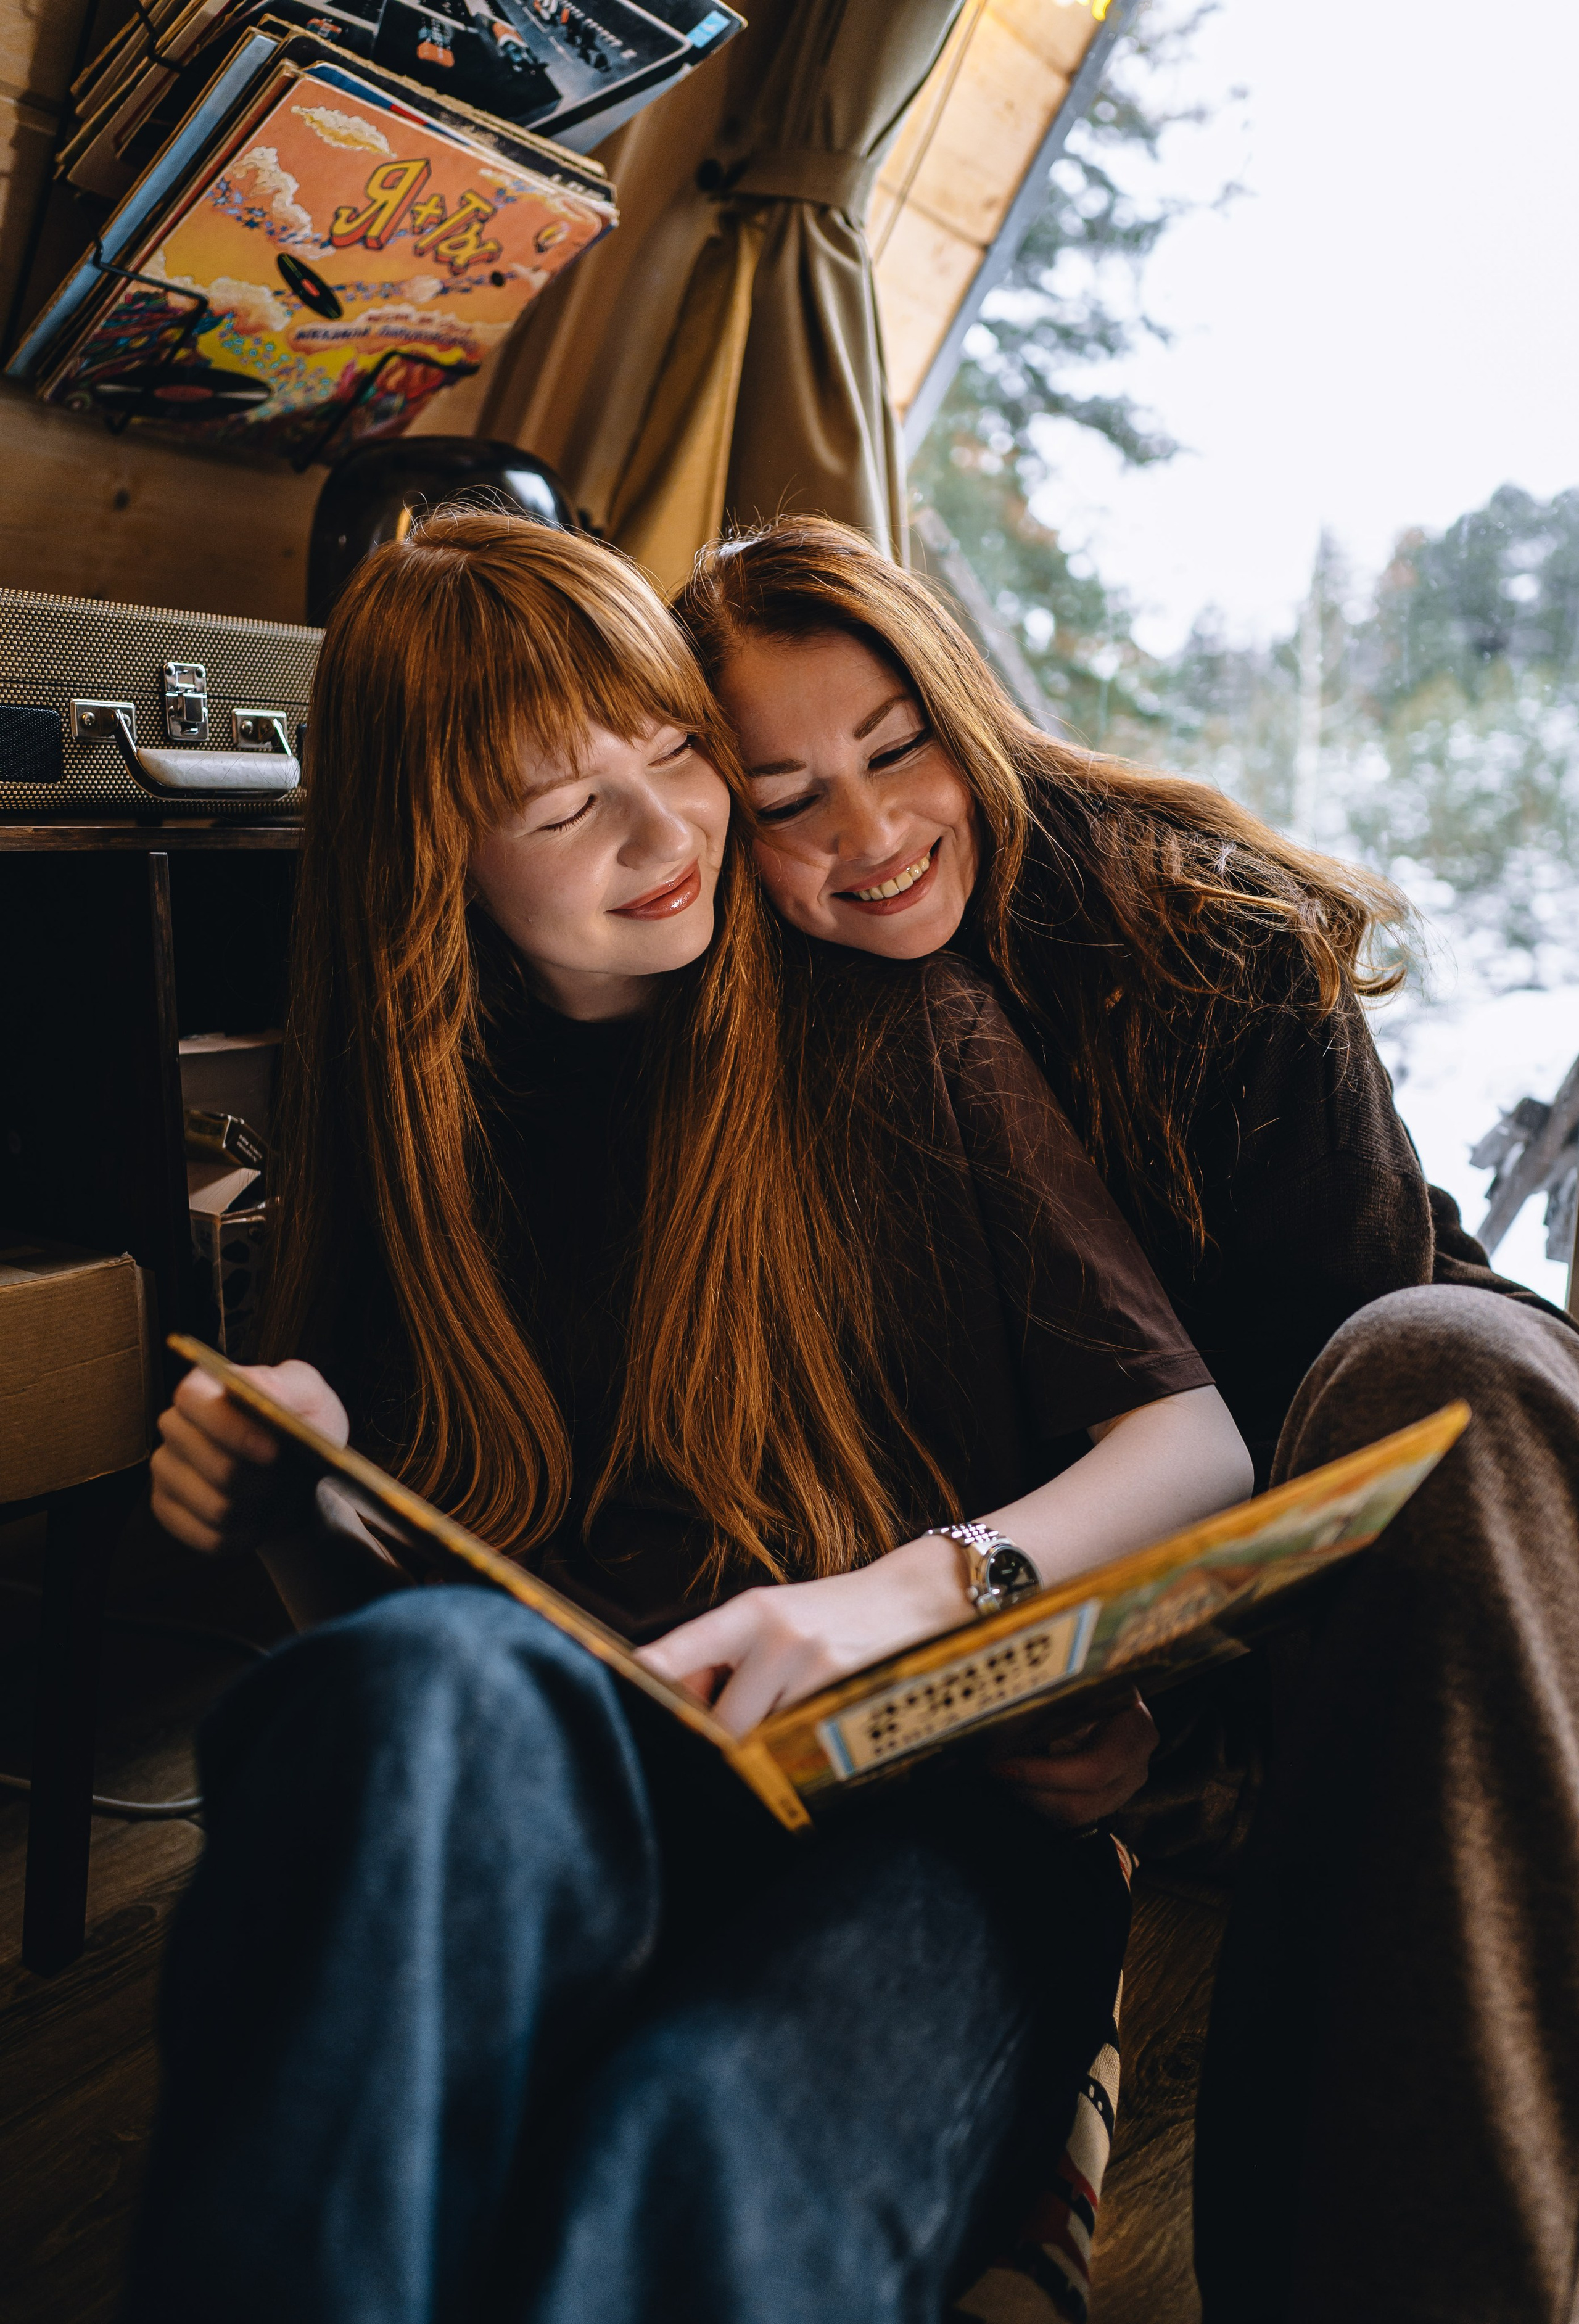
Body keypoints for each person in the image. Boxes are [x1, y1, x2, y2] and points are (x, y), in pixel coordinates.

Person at [131, 509, 1253, 2323]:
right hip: (591, 1800)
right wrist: (291, 1490)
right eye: (572, 811)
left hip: (931, 1826)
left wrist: (890, 1598)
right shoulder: (412, 1126)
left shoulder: (886, 1030)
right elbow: (410, 1720)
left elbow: (1196, 1447)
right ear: (434, 862)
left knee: (691, 2152)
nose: (672, 837)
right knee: (400, 1684)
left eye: (676, 757)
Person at [674, 515, 1579, 2324]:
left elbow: (1343, 1446)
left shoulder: (1203, 930)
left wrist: (1186, 1732)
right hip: (1112, 1641)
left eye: (894, 747)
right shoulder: (780, 1034)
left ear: (965, 703)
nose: (864, 836)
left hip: (1447, 1497)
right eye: (786, 798)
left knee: (1423, 1367)